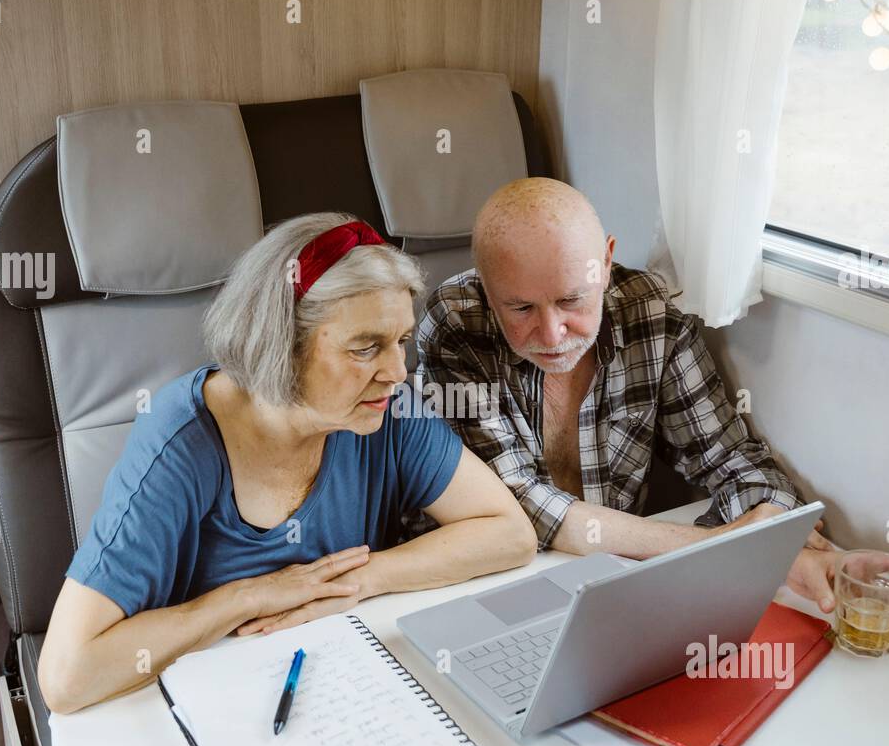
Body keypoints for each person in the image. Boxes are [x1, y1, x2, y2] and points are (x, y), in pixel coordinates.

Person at [38, 212, 537, 713]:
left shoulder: (388, 409)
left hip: (349, 688)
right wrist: (247, 597)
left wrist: (358, 579)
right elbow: (66, 677)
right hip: (215, 707)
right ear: (280, 345)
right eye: (365, 348)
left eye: (401, 341)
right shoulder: (181, 443)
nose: (395, 370)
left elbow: (509, 533)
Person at [415, 178, 889, 629]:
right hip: (486, 585)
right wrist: (725, 547)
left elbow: (733, 460)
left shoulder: (651, 314)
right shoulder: (457, 322)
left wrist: (797, 548)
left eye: (572, 300)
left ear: (606, 262)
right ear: (486, 286)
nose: (552, 333)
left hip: (619, 583)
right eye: (521, 307)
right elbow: (521, 507)